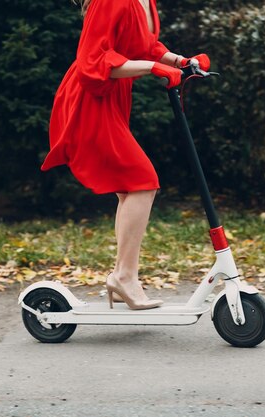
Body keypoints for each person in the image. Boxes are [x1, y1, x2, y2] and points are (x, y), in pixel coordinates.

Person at [41, 0, 210, 310]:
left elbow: (143, 45)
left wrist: (181, 61)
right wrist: (152, 68)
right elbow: (92, 62)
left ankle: (123, 277)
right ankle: (123, 277)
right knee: (142, 181)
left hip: (112, 99)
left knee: (129, 188)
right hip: (91, 101)